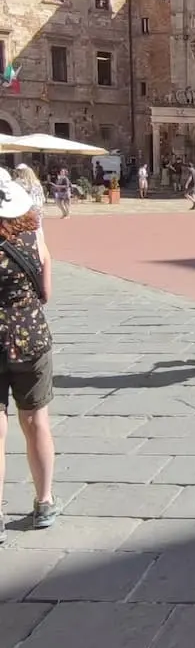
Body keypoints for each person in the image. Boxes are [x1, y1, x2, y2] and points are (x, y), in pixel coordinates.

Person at [0, 168, 59, 544]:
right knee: (36, 420)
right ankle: (44, 502)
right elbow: (46, 292)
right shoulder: (32, 235)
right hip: (31, 339)